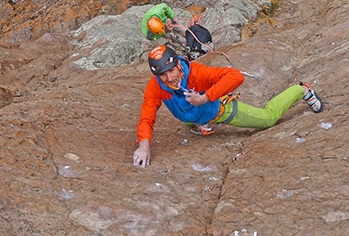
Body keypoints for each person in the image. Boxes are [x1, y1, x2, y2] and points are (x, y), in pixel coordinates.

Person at [132, 45, 324, 167]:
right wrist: (144, 146)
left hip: (219, 110)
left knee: (268, 119)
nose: (169, 78)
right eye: (163, 75)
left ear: (179, 67)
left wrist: (206, 97)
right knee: (187, 117)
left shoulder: (197, 73)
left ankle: (301, 91)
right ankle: (200, 122)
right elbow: (147, 117)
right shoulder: (156, 87)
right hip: (192, 115)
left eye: (171, 71)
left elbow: (236, 76)